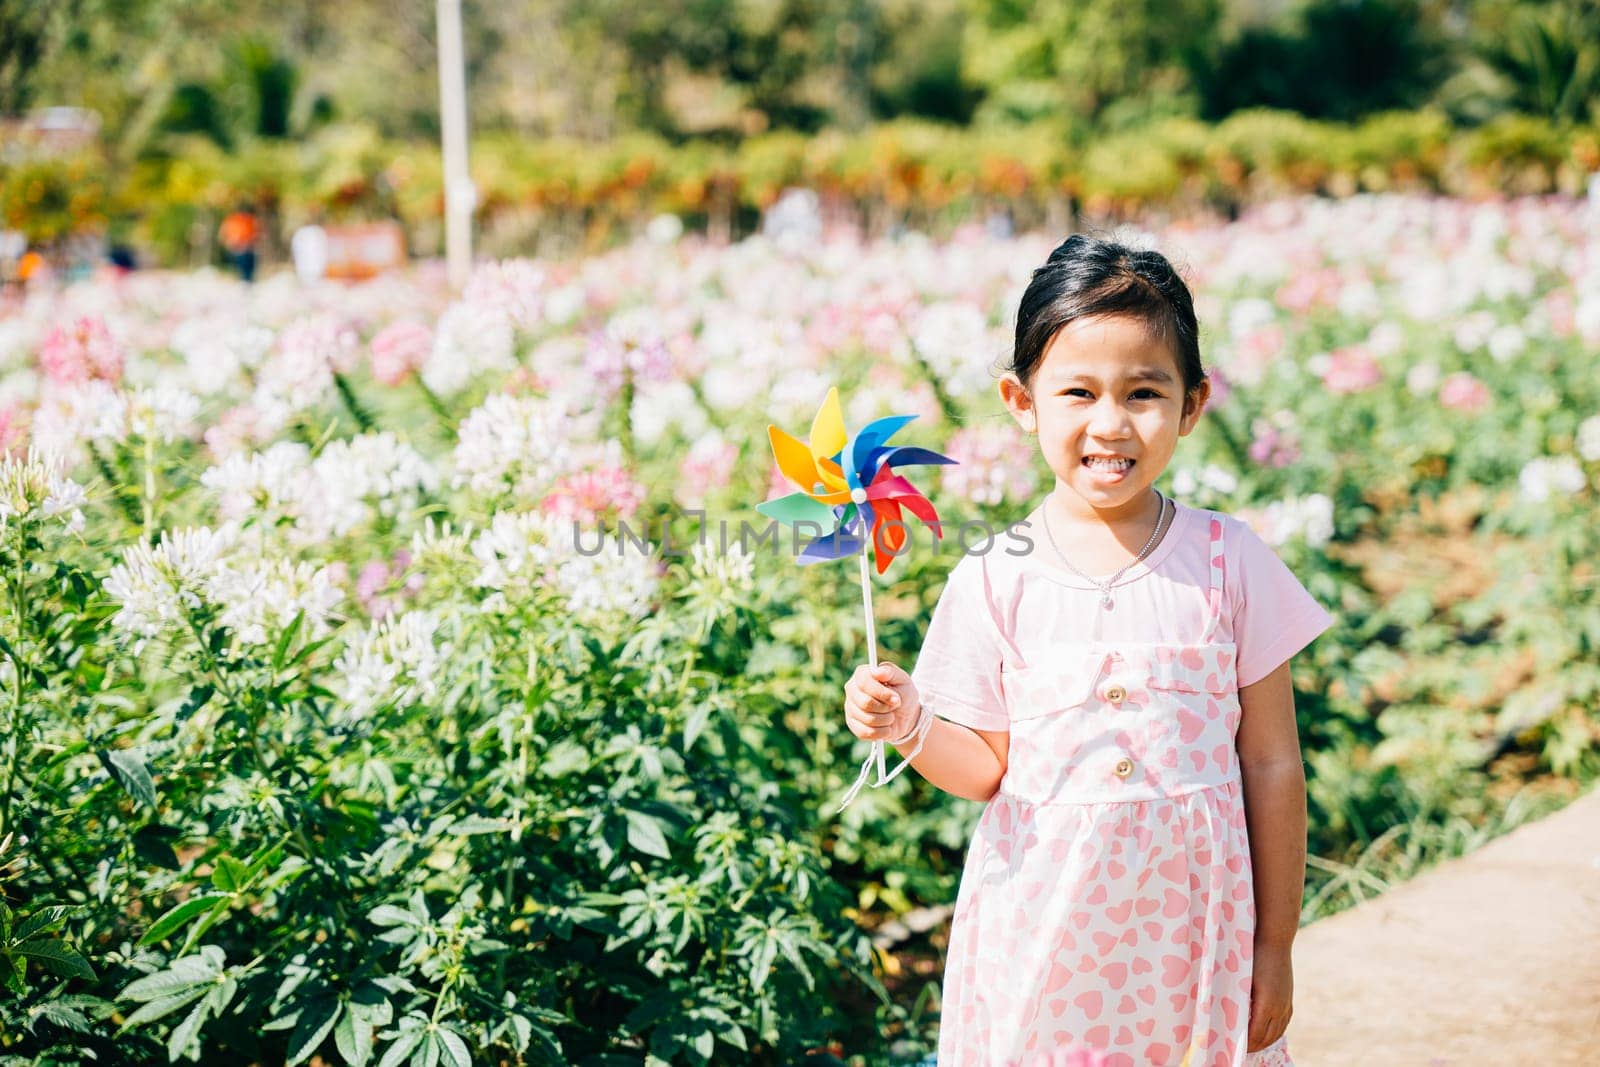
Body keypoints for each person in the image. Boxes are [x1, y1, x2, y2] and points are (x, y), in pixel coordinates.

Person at [843, 235, 1333, 1066]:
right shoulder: (996, 575)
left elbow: (1274, 764)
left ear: (1194, 403)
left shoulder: (1229, 560)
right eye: (1078, 391)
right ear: (1021, 398)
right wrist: (911, 722)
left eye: (1144, 391)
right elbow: (983, 770)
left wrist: (1275, 946)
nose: (1111, 422)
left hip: (1195, 941)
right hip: (1041, 937)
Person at [219, 204, 260, 282]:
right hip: (239, 248)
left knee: (247, 269)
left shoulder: (248, 220)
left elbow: (255, 233)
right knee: (240, 268)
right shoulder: (234, 220)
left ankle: (246, 282)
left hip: (246, 248)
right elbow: (224, 233)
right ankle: (243, 282)